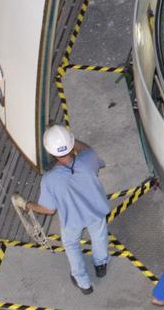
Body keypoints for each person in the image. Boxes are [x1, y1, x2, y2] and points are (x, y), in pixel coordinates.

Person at [18, 125, 111, 295]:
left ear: (50, 152)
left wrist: (28, 205)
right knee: (99, 237)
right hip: (95, 211)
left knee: (71, 245)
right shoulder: (88, 157)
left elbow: (48, 209)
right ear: (72, 142)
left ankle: (83, 282)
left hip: (72, 220)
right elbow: (87, 149)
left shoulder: (49, 179)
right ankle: (101, 265)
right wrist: (72, 142)